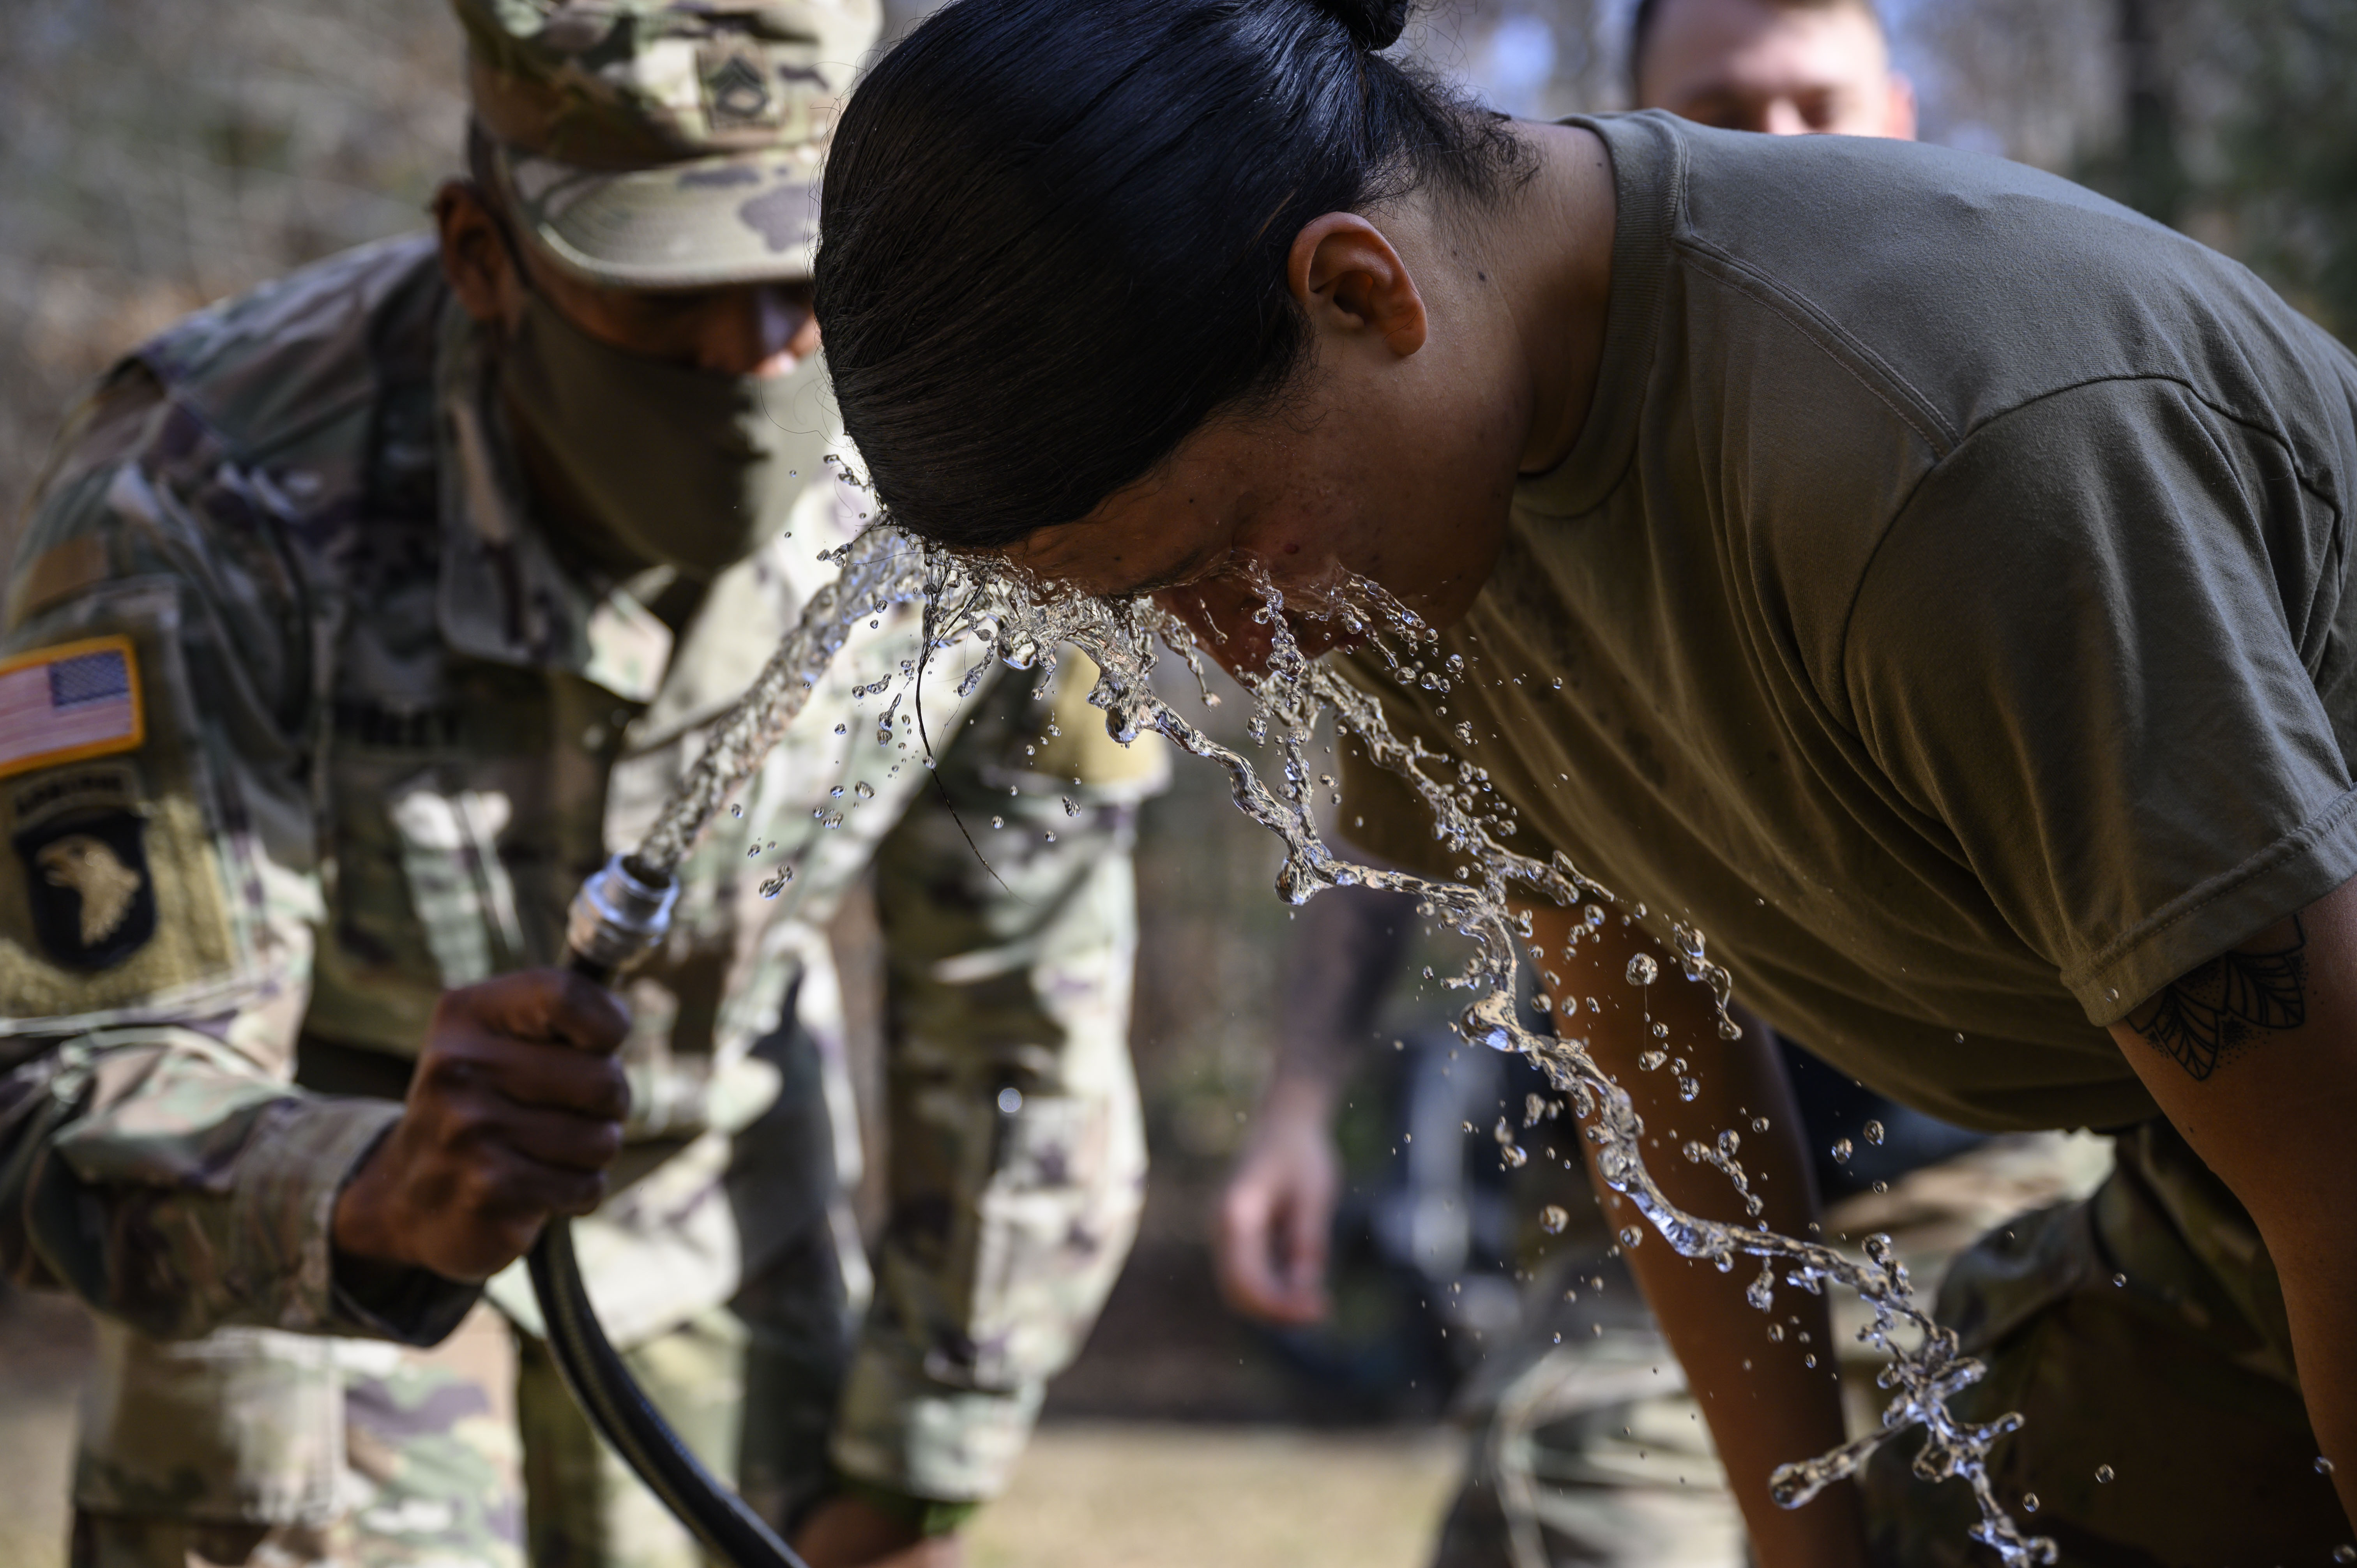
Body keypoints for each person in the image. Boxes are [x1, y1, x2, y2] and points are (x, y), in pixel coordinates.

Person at [811, 0, 2357, 1563]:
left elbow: (2344, 1164)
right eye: (1153, 605)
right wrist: (1795, 1548)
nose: (1241, 646)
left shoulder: (1935, 447)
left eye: (1212, 561)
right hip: (2227, 1181)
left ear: (1363, 290)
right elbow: (1659, 1064)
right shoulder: (1392, 502)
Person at [0, 2, 1163, 1566]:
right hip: (307, 1320)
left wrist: (919, 1461)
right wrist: (370, 1191)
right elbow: (67, 1086)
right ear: (486, 256)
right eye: (667, 293)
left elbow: (1026, 992)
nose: (754, 360)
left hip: (730, 1290)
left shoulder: (982, 444)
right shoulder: (206, 495)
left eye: (802, 281)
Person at [1215, 7, 2024, 1564]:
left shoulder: (2007, 413)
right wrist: (1300, 1108)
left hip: (1997, 1172)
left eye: (1818, 102)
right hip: (1673, 1220)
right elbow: (1383, 845)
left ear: (1904, 113)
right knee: (1562, 1519)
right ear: (1630, 145)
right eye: (1727, 109)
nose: (1781, 148)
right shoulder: (1479, 474)